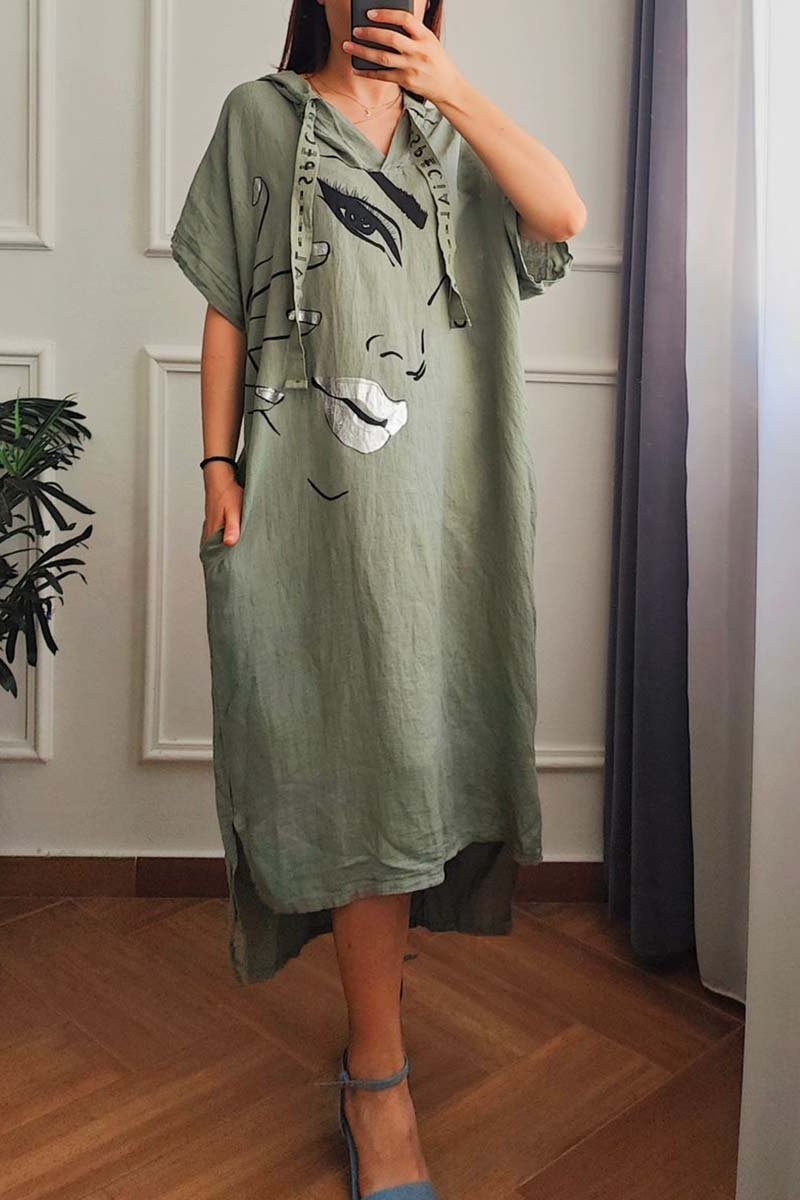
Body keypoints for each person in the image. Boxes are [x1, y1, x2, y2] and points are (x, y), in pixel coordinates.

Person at [170, 2, 586, 1196]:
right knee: (348, 757)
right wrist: (215, 468)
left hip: (442, 519)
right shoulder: (258, 118)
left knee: (409, 757)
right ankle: (377, 1075)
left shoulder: (456, 133)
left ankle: (375, 1043)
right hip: (306, 511)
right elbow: (223, 305)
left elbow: (560, 216)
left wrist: (451, 90)